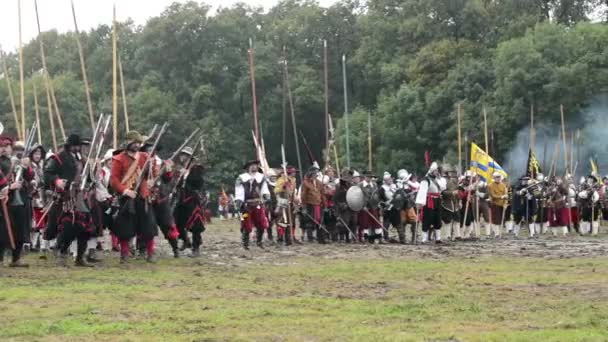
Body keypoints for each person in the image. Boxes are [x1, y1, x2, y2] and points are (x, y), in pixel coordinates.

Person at [44, 134, 95, 267]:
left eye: (79, 146)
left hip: (80, 196)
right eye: (76, 146)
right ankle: (61, 253)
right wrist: (57, 180)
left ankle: (80, 258)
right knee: (69, 227)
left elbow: (89, 178)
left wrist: (90, 177)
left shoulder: (83, 159)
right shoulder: (59, 157)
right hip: (66, 196)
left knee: (86, 229)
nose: (78, 148)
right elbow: (48, 173)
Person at [110, 131, 158, 263]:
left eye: (139, 142)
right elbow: (114, 180)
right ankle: (124, 254)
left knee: (148, 227)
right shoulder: (118, 159)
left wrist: (152, 178)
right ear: (128, 142)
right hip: (127, 198)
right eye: (135, 142)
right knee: (125, 228)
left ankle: (150, 253)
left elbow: (152, 173)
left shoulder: (144, 157)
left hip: (142, 196)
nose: (137, 145)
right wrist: (125, 190)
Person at [0, 135, 33, 267]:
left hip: (19, 199)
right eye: (1, 146)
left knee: (20, 229)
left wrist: (27, 166)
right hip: (4, 200)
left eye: (6, 146)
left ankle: (16, 258)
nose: (4, 149)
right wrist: (10, 186)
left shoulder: (17, 160)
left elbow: (29, 177)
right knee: (2, 231)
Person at [234, 160, 270, 249]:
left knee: (261, 224)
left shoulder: (261, 177)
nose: (254, 167)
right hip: (246, 205)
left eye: (256, 165)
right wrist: (239, 201)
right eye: (252, 165)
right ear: (248, 167)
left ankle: (259, 242)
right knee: (246, 224)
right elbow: (239, 191)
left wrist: (266, 196)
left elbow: (264, 189)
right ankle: (245, 243)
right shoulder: (241, 178)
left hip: (258, 204)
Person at [174, 164, 207, 257]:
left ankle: (196, 248)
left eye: (187, 156)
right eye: (183, 155)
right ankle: (185, 240)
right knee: (177, 223)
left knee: (195, 225)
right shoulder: (179, 170)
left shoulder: (196, 170)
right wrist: (180, 176)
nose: (184, 157)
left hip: (193, 201)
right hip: (181, 201)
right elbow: (176, 185)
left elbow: (199, 183)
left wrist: (188, 174)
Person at [415, 162, 446, 244]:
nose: (437, 172)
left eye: (437, 171)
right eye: (435, 171)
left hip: (437, 201)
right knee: (427, 219)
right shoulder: (425, 180)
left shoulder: (438, 179)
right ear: (432, 171)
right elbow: (422, 192)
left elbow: (443, 188)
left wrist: (440, 179)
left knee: (438, 219)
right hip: (429, 201)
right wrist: (420, 203)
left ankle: (438, 238)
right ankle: (424, 239)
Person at [300, 165, 325, 243]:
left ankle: (320, 238)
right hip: (309, 204)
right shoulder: (306, 183)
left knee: (320, 221)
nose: (315, 175)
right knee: (309, 222)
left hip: (319, 205)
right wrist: (303, 206)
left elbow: (322, 194)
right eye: (314, 174)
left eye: (316, 174)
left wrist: (324, 204)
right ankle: (310, 238)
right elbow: (303, 195)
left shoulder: (319, 183)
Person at [29, 144, 47, 252]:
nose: (37, 155)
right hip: (32, 195)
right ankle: (31, 244)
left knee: (40, 220)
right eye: (35, 153)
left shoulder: (41, 166)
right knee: (33, 221)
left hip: (40, 196)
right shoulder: (30, 166)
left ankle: (38, 244)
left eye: (39, 153)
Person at [275, 166, 298, 245]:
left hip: (290, 202)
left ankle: (290, 238)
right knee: (284, 221)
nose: (295, 173)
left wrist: (295, 201)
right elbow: (276, 190)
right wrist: (283, 186)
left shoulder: (293, 180)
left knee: (291, 221)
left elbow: (293, 192)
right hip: (283, 202)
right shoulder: (281, 180)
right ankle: (281, 237)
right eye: (293, 172)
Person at [440, 164, 461, 240]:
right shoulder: (442, 181)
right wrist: (452, 193)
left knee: (457, 219)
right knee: (447, 220)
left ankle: (457, 235)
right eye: (450, 172)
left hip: (455, 202)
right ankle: (448, 235)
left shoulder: (454, 181)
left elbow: (457, 191)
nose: (451, 174)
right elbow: (442, 192)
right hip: (446, 203)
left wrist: (460, 200)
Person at [488, 172, 508, 238]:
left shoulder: (503, 185)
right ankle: (496, 233)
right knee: (495, 219)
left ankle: (499, 232)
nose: (498, 178)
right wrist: (501, 197)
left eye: (499, 177)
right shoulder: (491, 185)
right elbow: (493, 195)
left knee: (501, 219)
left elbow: (506, 195)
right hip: (495, 204)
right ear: (494, 178)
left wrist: (506, 203)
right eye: (497, 177)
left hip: (502, 205)